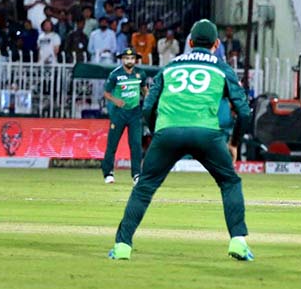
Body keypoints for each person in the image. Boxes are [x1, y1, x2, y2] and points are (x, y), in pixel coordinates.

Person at [108, 19, 253, 261]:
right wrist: (234, 144)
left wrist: (157, 134)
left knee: (144, 188)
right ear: (216, 44)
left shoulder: (170, 67)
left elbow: (147, 108)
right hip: (206, 134)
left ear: (190, 43)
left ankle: (123, 246)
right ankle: (238, 241)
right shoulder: (223, 68)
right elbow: (245, 112)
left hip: (168, 132)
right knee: (229, 182)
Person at [101, 47, 148, 185]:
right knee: (112, 144)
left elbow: (145, 90)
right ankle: (108, 173)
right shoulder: (115, 74)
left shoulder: (140, 74)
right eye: (127, 58)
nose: (129, 60)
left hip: (135, 112)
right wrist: (116, 101)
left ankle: (137, 174)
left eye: (132, 58)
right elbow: (106, 93)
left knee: (136, 144)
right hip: (118, 113)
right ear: (122, 59)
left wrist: (149, 100)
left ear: (135, 60)